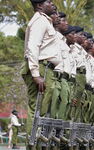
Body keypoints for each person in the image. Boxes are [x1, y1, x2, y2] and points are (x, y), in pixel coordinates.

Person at [20, 0, 58, 147]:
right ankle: (32, 144)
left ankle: (36, 143)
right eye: (49, 1)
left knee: (41, 110)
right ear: (40, 6)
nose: (52, 3)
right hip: (40, 68)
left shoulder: (44, 21)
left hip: (45, 68)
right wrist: (35, 74)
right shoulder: (40, 21)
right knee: (35, 108)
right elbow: (32, 47)